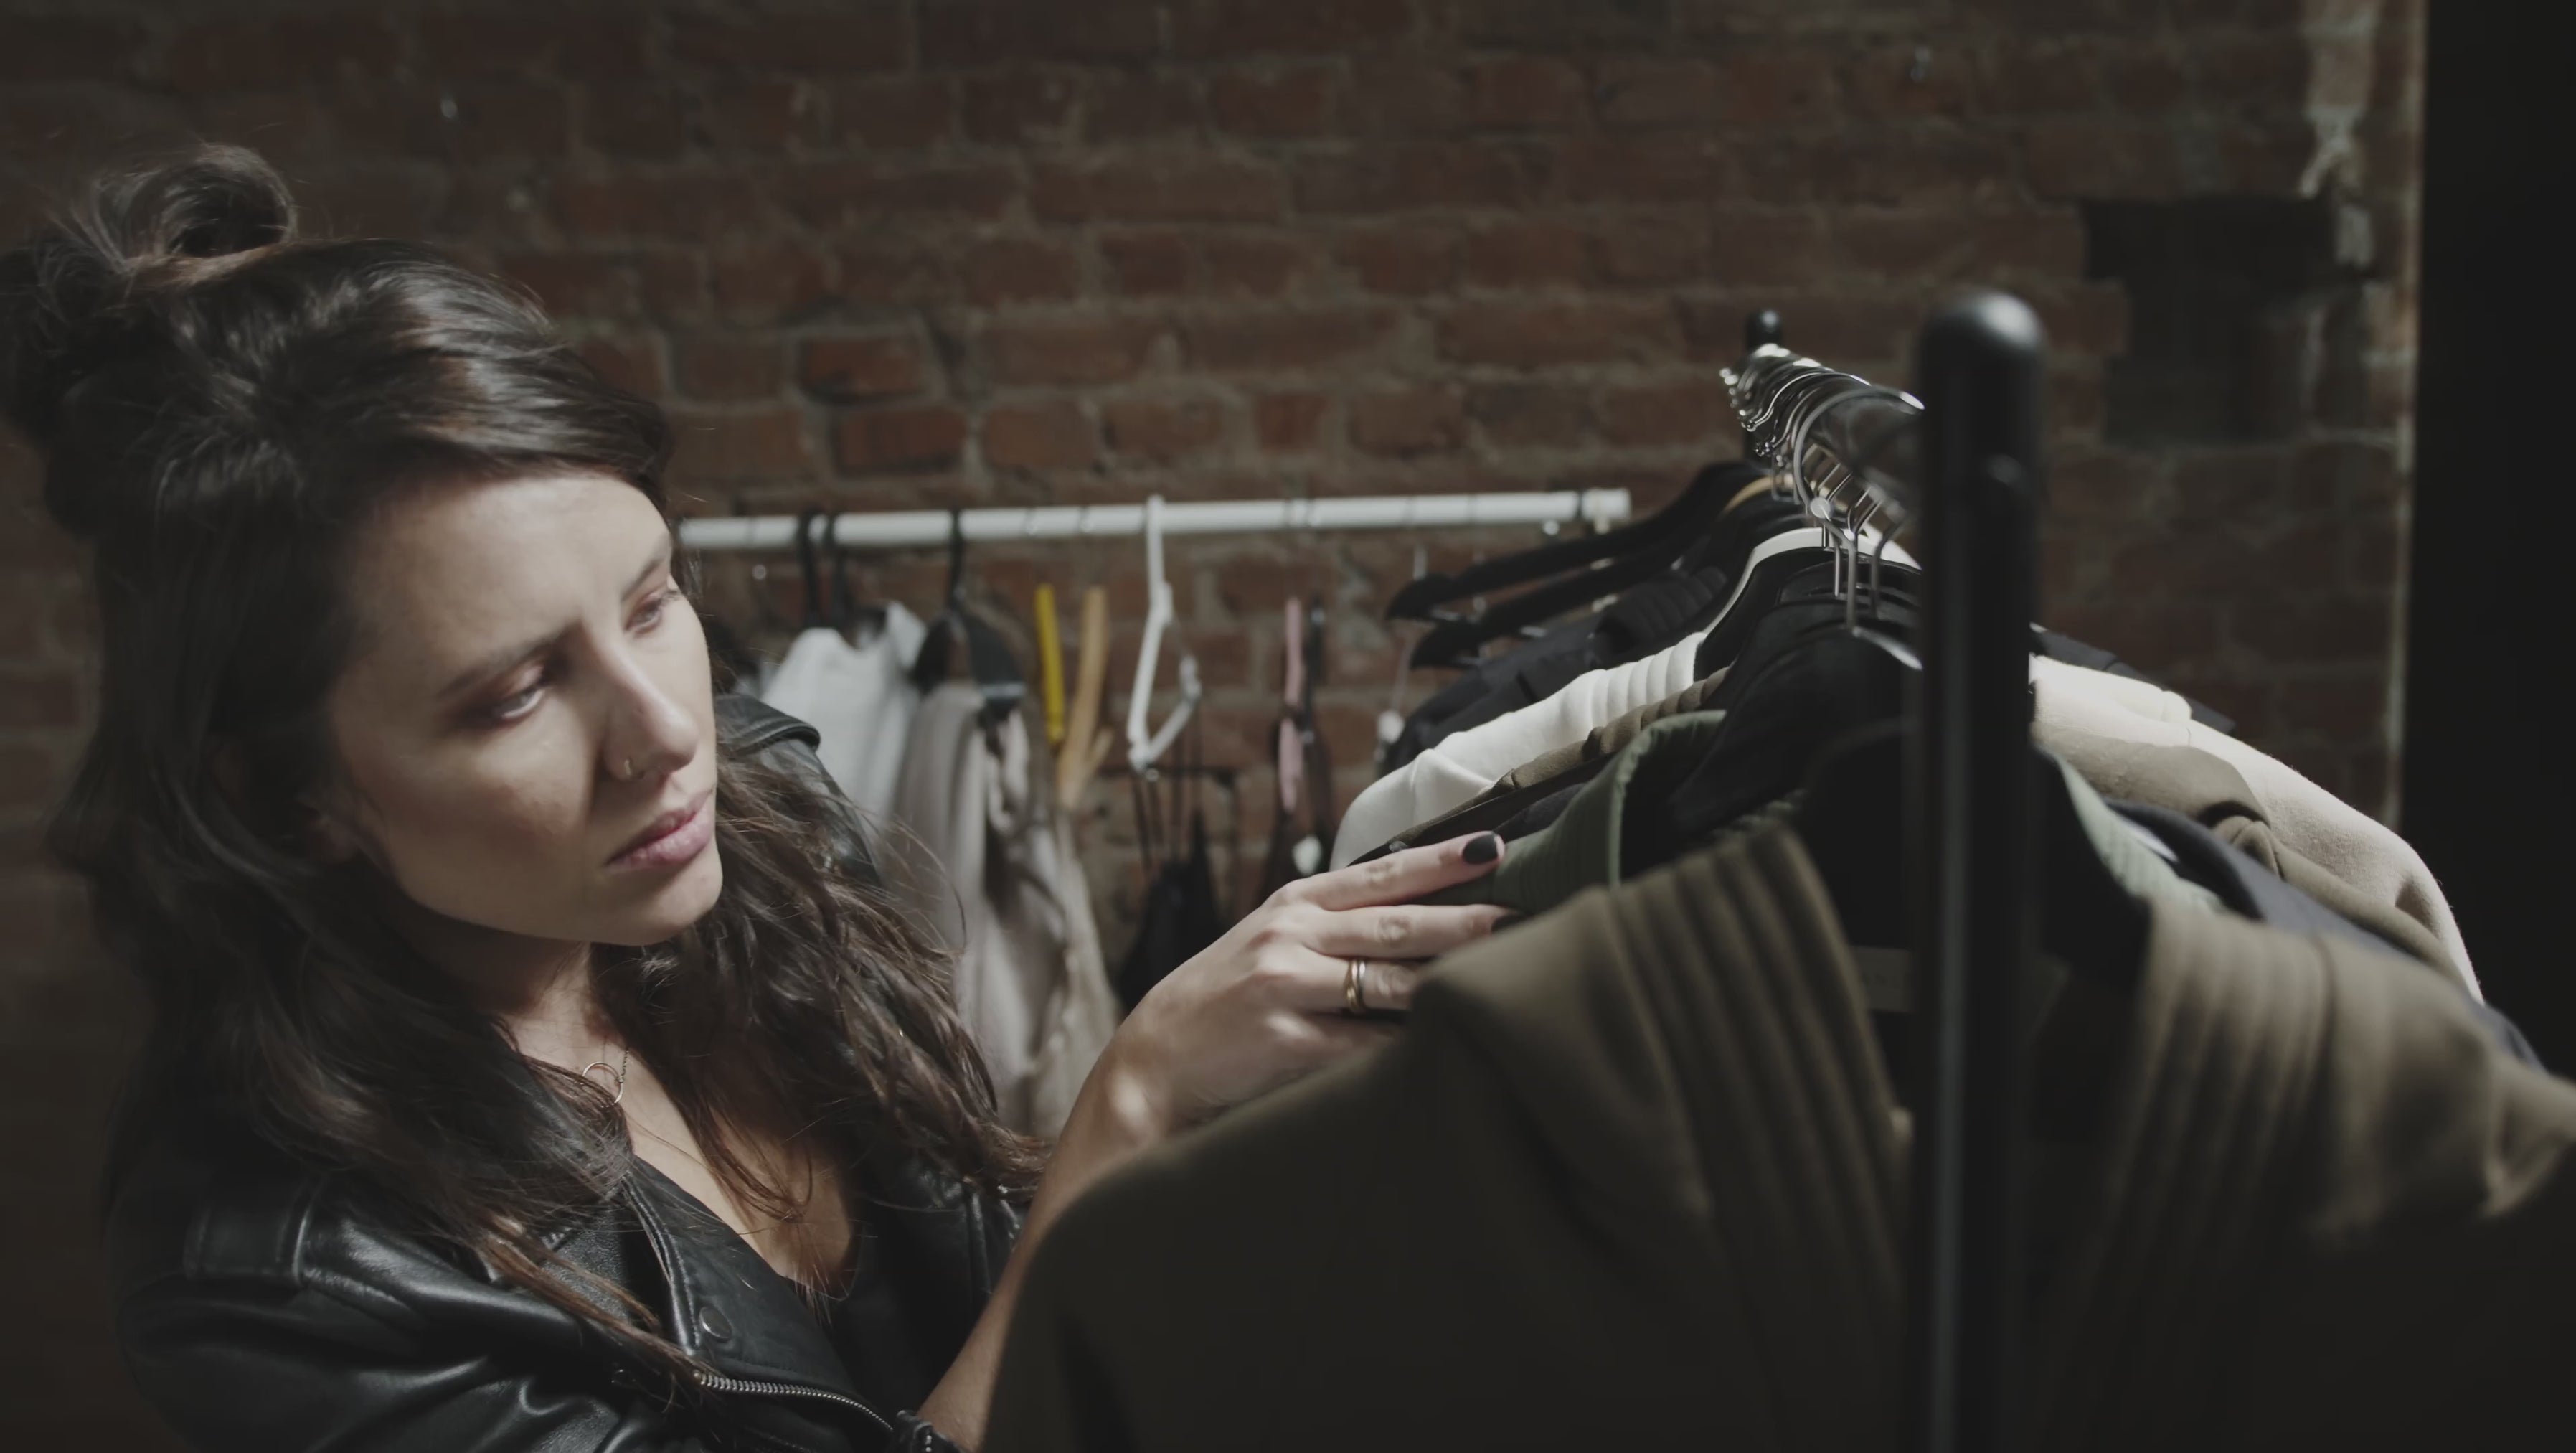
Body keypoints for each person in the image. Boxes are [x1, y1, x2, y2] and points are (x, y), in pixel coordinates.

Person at [1, 146, 1510, 1452]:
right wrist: (1128, 1106)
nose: (671, 732)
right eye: (516, 692)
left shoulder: (769, 817)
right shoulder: (279, 1272)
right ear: (289, 795)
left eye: (654, 598)